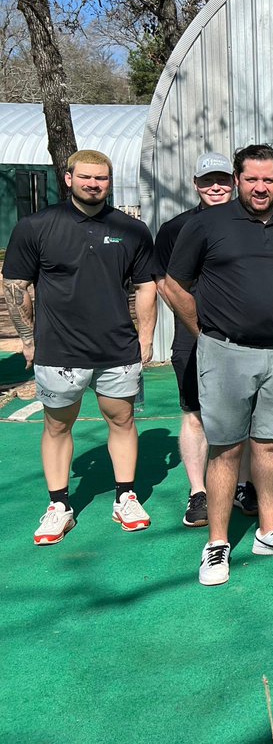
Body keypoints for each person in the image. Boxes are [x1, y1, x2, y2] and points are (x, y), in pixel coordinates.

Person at [163, 143, 273, 586]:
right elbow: (174, 284)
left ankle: (269, 531)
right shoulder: (208, 223)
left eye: (269, 179)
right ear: (237, 180)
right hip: (224, 351)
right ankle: (217, 543)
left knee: (270, 444)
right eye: (251, 179)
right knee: (226, 447)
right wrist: (204, 332)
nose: (261, 187)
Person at [4, 149, 157, 546]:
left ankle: (126, 496)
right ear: (68, 178)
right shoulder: (35, 227)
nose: (94, 184)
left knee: (122, 422)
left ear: (110, 181)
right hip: (58, 351)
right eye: (86, 177)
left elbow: (145, 287)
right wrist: (26, 340)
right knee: (57, 427)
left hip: (117, 350)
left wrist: (145, 337)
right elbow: (16, 286)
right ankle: (59, 506)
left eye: (101, 178)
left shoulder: (132, 230)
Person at [153, 152, 235, 527]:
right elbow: (164, 285)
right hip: (194, 335)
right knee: (195, 415)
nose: (215, 187)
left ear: (233, 182)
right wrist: (195, 327)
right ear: (195, 183)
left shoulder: (251, 222)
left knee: (245, 417)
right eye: (207, 181)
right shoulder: (175, 229)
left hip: (242, 336)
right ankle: (198, 492)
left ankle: (244, 485)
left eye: (222, 180)